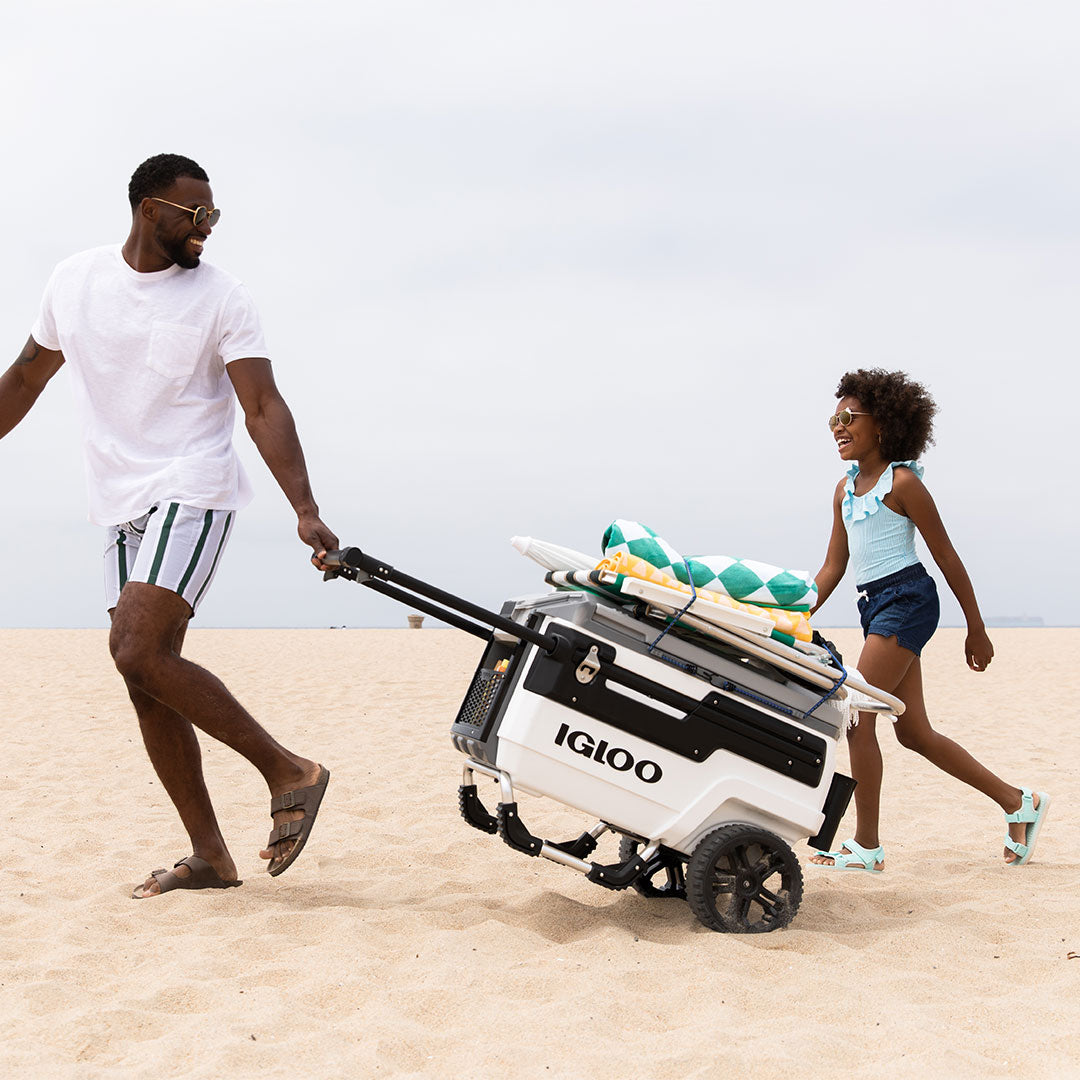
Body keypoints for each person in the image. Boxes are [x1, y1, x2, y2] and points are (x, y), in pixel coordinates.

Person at [0, 153, 337, 898]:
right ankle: (211, 857)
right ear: (151, 210)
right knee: (144, 678)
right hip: (122, 503)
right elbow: (26, 375)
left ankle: (290, 771)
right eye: (197, 215)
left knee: (134, 646)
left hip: (194, 485)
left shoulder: (223, 297)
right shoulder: (75, 281)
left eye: (214, 216)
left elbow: (262, 406)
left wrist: (304, 508)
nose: (207, 229)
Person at [808, 368, 1049, 872]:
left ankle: (866, 846)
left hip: (909, 600)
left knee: (857, 716)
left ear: (885, 424)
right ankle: (1017, 802)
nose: (838, 426)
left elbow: (947, 556)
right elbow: (834, 566)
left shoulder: (904, 483)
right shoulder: (844, 490)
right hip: (873, 604)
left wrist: (976, 627)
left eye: (850, 417)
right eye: (833, 418)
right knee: (913, 732)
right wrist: (793, 613)